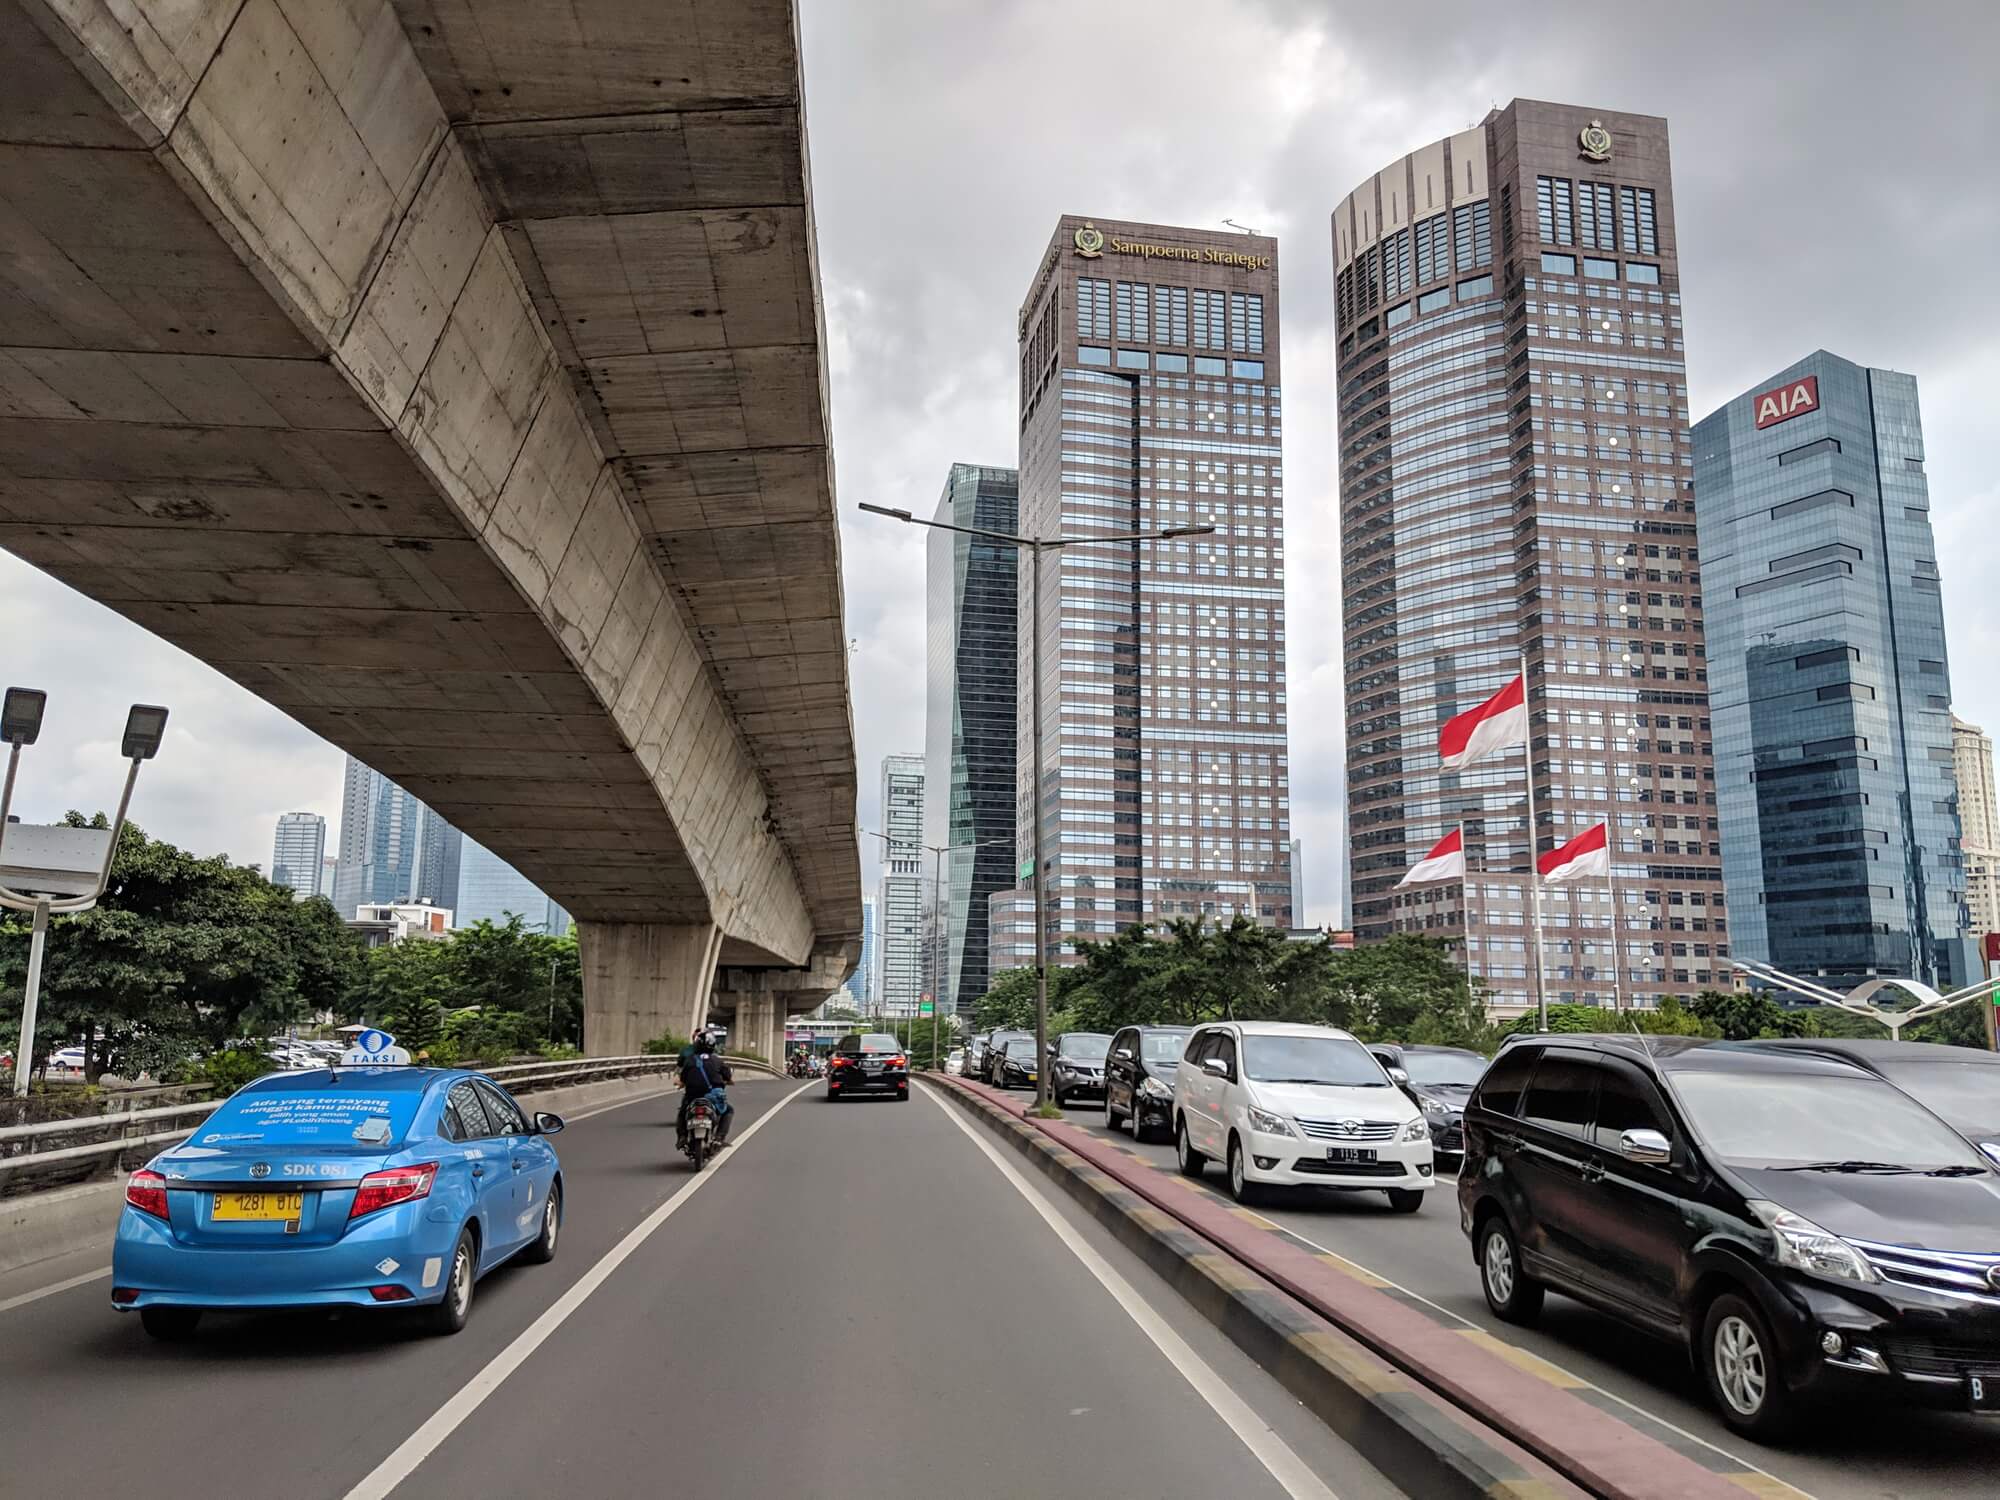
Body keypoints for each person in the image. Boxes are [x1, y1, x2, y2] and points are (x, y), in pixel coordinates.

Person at [675, 1031, 733, 1149]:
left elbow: (683, 1078)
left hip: (692, 1096)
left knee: (682, 1113)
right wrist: (727, 1081)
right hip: (712, 1097)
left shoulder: (690, 1060)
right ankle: (719, 1138)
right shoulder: (717, 1060)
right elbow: (728, 1075)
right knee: (728, 1111)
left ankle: (682, 1137)